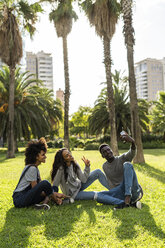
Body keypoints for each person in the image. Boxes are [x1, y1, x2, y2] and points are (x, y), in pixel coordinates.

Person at [12, 138, 66, 210]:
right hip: (20, 199)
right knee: (46, 184)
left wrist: (52, 192)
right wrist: (55, 195)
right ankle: (56, 201)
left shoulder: (35, 168)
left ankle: (44, 204)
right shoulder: (32, 168)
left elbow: (40, 189)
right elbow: (37, 190)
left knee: (53, 188)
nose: (45, 157)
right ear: (36, 156)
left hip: (27, 196)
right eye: (43, 155)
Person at [96, 131, 143, 208]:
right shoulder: (105, 166)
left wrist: (132, 142)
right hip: (120, 192)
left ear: (111, 150)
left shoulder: (122, 158)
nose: (107, 152)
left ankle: (128, 197)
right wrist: (112, 193)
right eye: (104, 152)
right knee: (98, 196)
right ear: (102, 156)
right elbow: (111, 184)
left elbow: (132, 153)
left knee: (127, 164)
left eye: (108, 150)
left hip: (132, 190)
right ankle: (126, 203)